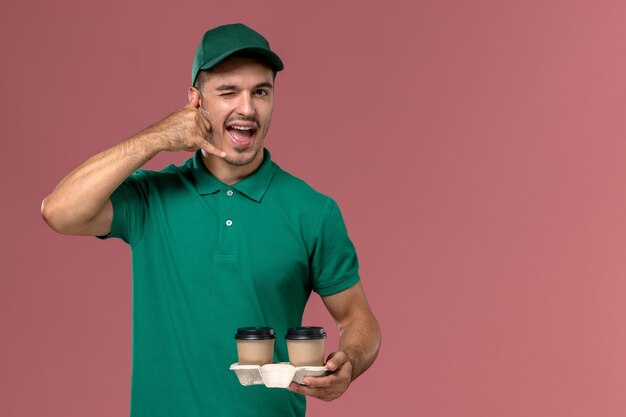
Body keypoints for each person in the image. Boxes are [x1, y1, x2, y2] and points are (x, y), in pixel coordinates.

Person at [41, 23, 380, 417]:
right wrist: (156, 138)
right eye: (228, 92)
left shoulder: (312, 210)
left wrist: (350, 362)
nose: (247, 108)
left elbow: (359, 317)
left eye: (261, 92)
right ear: (196, 101)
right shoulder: (152, 198)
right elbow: (58, 211)